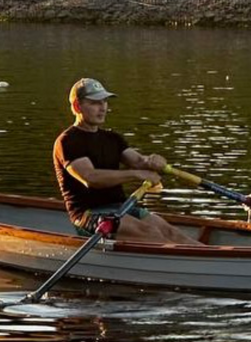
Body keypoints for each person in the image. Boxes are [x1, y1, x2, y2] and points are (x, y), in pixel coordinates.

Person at [53, 78, 201, 245]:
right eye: (95, 103)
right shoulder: (68, 141)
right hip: (89, 215)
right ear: (77, 107)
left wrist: (153, 161)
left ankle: (211, 260)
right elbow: (91, 178)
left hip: (122, 207)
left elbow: (139, 161)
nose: (102, 108)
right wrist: (136, 174)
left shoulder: (112, 138)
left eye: (104, 101)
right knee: (150, 233)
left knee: (170, 231)